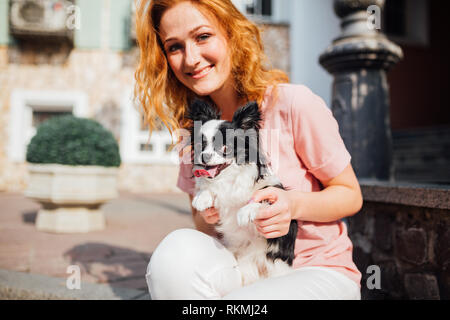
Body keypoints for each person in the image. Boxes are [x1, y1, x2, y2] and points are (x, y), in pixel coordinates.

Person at [135, 0, 363, 300]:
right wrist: (211, 213)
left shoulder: (293, 103)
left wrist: (292, 204)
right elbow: (200, 219)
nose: (191, 59)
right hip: (243, 263)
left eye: (202, 36)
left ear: (232, 33)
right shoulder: (193, 130)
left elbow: (350, 195)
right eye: (175, 47)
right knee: (172, 260)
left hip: (316, 271)